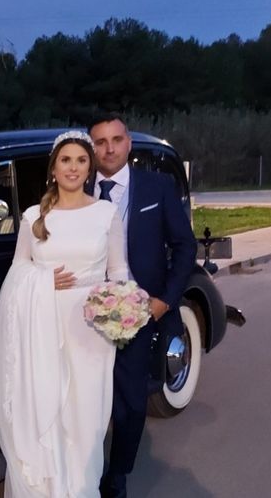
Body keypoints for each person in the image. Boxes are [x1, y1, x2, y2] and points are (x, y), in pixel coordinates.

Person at [0, 130, 128, 497]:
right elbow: (16, 273)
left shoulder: (106, 214)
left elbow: (119, 272)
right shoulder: (34, 217)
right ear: (53, 168)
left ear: (90, 168)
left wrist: (121, 311)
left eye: (82, 160)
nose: (74, 167)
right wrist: (43, 281)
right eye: (66, 160)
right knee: (47, 418)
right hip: (41, 331)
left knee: (87, 424)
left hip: (91, 332)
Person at [83, 115, 197, 498]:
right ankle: (83, 471)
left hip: (139, 311)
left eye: (116, 139)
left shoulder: (157, 186)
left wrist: (165, 301)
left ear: (128, 143)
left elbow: (185, 245)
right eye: (100, 142)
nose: (109, 149)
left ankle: (117, 474)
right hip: (82, 315)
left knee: (131, 402)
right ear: (90, 146)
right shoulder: (77, 189)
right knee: (84, 400)